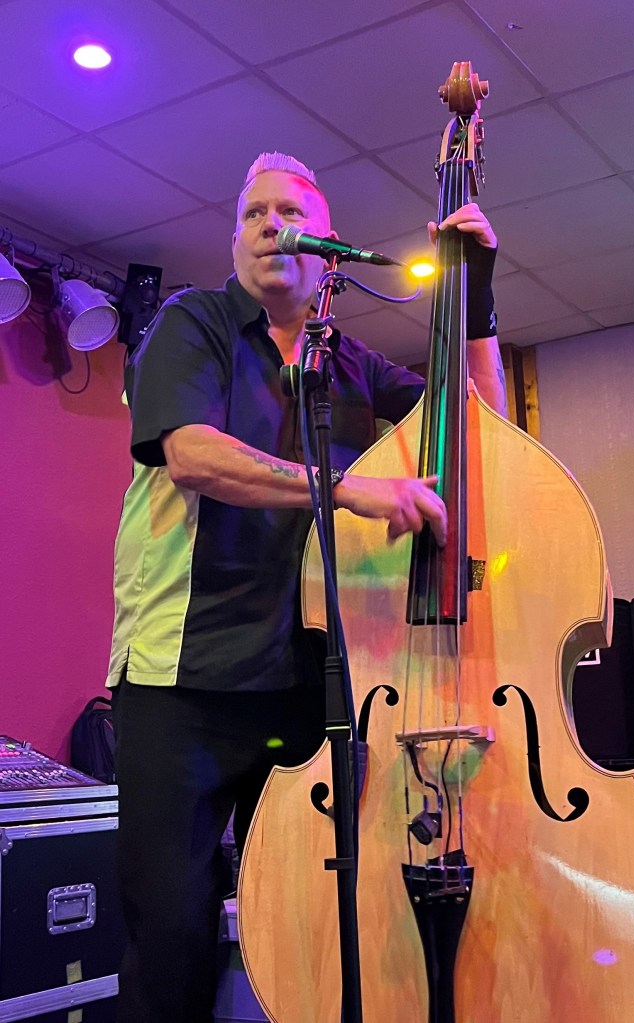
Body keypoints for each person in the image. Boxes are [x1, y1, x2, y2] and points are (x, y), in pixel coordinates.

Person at [106, 151, 508, 1023]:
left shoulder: (351, 364)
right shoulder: (194, 321)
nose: (269, 224)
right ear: (236, 242)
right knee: (172, 935)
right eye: (253, 213)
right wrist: (351, 487)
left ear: (327, 250)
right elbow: (193, 455)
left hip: (307, 683)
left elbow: (484, 434)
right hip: (181, 682)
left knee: (312, 925)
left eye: (289, 211)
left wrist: (475, 299)